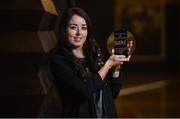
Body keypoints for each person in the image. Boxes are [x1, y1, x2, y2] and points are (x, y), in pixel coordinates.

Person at [49, 7, 131, 118]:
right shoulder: (59, 61)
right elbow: (83, 92)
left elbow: (112, 93)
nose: (79, 33)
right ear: (64, 30)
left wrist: (116, 68)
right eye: (73, 27)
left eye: (83, 28)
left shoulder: (94, 53)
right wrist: (108, 65)